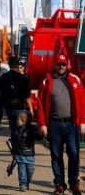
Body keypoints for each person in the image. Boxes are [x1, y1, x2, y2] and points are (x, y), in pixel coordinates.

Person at [37, 54, 85, 195]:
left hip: (72, 124)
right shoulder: (47, 81)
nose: (62, 66)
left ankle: (74, 184)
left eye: (64, 64)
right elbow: (39, 104)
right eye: (59, 64)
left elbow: (83, 102)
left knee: (74, 153)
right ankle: (59, 185)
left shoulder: (75, 79)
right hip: (54, 124)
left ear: (67, 65)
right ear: (55, 65)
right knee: (56, 155)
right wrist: (42, 124)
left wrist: (83, 121)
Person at [0, 56, 33, 135]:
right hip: (20, 108)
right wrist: (31, 108)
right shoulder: (23, 78)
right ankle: (18, 145)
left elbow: (0, 93)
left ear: (9, 65)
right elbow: (27, 96)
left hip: (9, 108)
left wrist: (3, 105)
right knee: (21, 130)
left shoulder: (4, 77)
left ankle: (14, 144)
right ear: (18, 65)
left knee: (13, 128)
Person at [10, 111, 43, 192]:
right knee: (21, 171)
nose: (16, 121)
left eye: (18, 120)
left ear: (23, 120)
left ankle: (27, 182)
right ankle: (22, 184)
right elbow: (13, 142)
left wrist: (41, 133)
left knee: (30, 170)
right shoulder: (15, 131)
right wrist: (13, 152)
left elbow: (38, 137)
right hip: (19, 154)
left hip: (29, 154)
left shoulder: (31, 129)